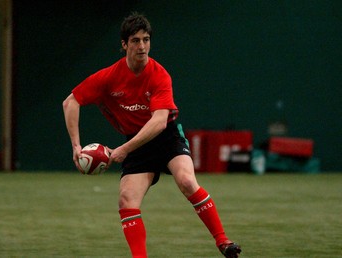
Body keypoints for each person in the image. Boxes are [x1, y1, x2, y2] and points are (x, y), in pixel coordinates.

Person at [63, 12, 242, 258]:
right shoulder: (108, 78)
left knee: (187, 181)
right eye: (135, 40)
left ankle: (223, 242)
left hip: (167, 138)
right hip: (137, 144)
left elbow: (159, 122)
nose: (142, 46)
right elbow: (70, 102)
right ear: (124, 44)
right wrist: (76, 146)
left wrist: (125, 149)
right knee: (127, 199)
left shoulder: (159, 75)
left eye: (146, 39)